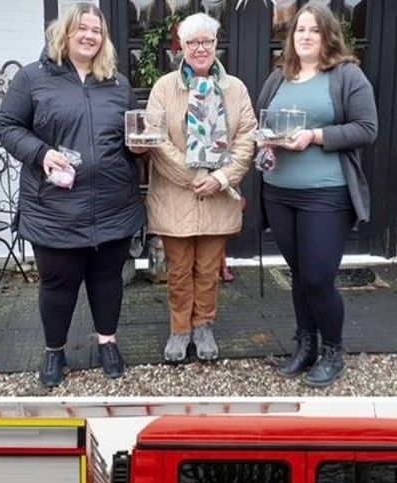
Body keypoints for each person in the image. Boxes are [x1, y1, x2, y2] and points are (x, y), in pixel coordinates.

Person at [0, 2, 146, 385]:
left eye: (97, 30)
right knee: (58, 283)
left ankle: (107, 341)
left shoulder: (118, 83)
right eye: (82, 28)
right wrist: (41, 153)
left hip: (113, 203)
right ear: (65, 32)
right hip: (55, 207)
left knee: (108, 278)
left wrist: (141, 146)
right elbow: (7, 126)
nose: (90, 35)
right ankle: (54, 351)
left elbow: (131, 136)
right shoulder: (33, 78)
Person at [257, 3, 377, 387]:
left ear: (328, 36)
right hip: (279, 193)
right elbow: (263, 122)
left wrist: (316, 136)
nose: (305, 36)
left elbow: (366, 128)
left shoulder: (347, 75)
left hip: (326, 194)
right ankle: (305, 345)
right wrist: (265, 144)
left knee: (318, 278)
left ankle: (333, 352)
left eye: (314, 30)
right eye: (299, 30)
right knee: (299, 275)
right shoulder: (279, 77)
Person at [143, 12, 256, 363]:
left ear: (215, 44)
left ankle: (204, 325)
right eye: (192, 42)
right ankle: (180, 330)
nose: (200, 48)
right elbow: (156, 138)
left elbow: (247, 137)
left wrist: (221, 179)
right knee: (178, 270)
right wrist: (194, 177)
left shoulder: (235, 88)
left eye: (206, 41)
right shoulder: (164, 87)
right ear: (182, 47)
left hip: (218, 195)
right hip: (176, 195)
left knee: (207, 270)